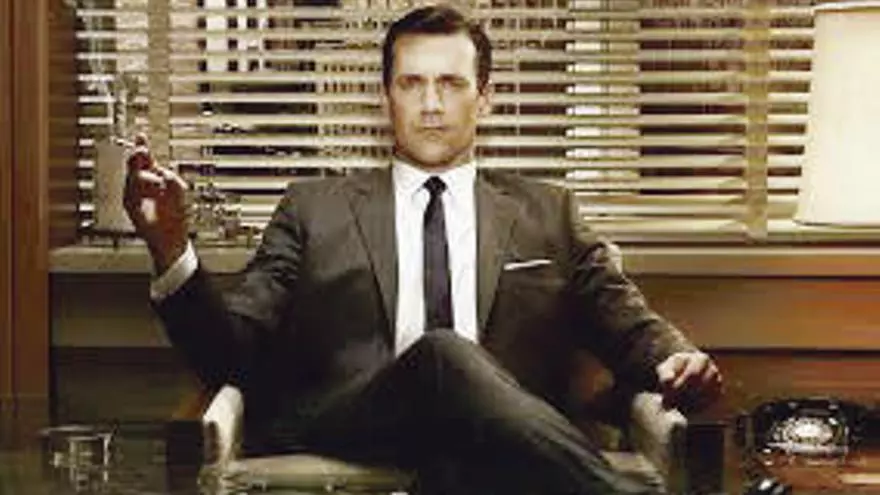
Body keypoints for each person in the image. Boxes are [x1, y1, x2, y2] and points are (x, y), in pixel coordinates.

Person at [124, 5, 722, 494]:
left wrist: (677, 358)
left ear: (484, 98)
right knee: (442, 354)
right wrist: (172, 250)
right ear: (386, 96)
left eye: (451, 84)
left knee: (457, 413)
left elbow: (627, 325)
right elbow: (230, 354)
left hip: (507, 443)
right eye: (411, 83)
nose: (431, 104)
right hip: (357, 424)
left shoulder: (549, 212)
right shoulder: (312, 208)